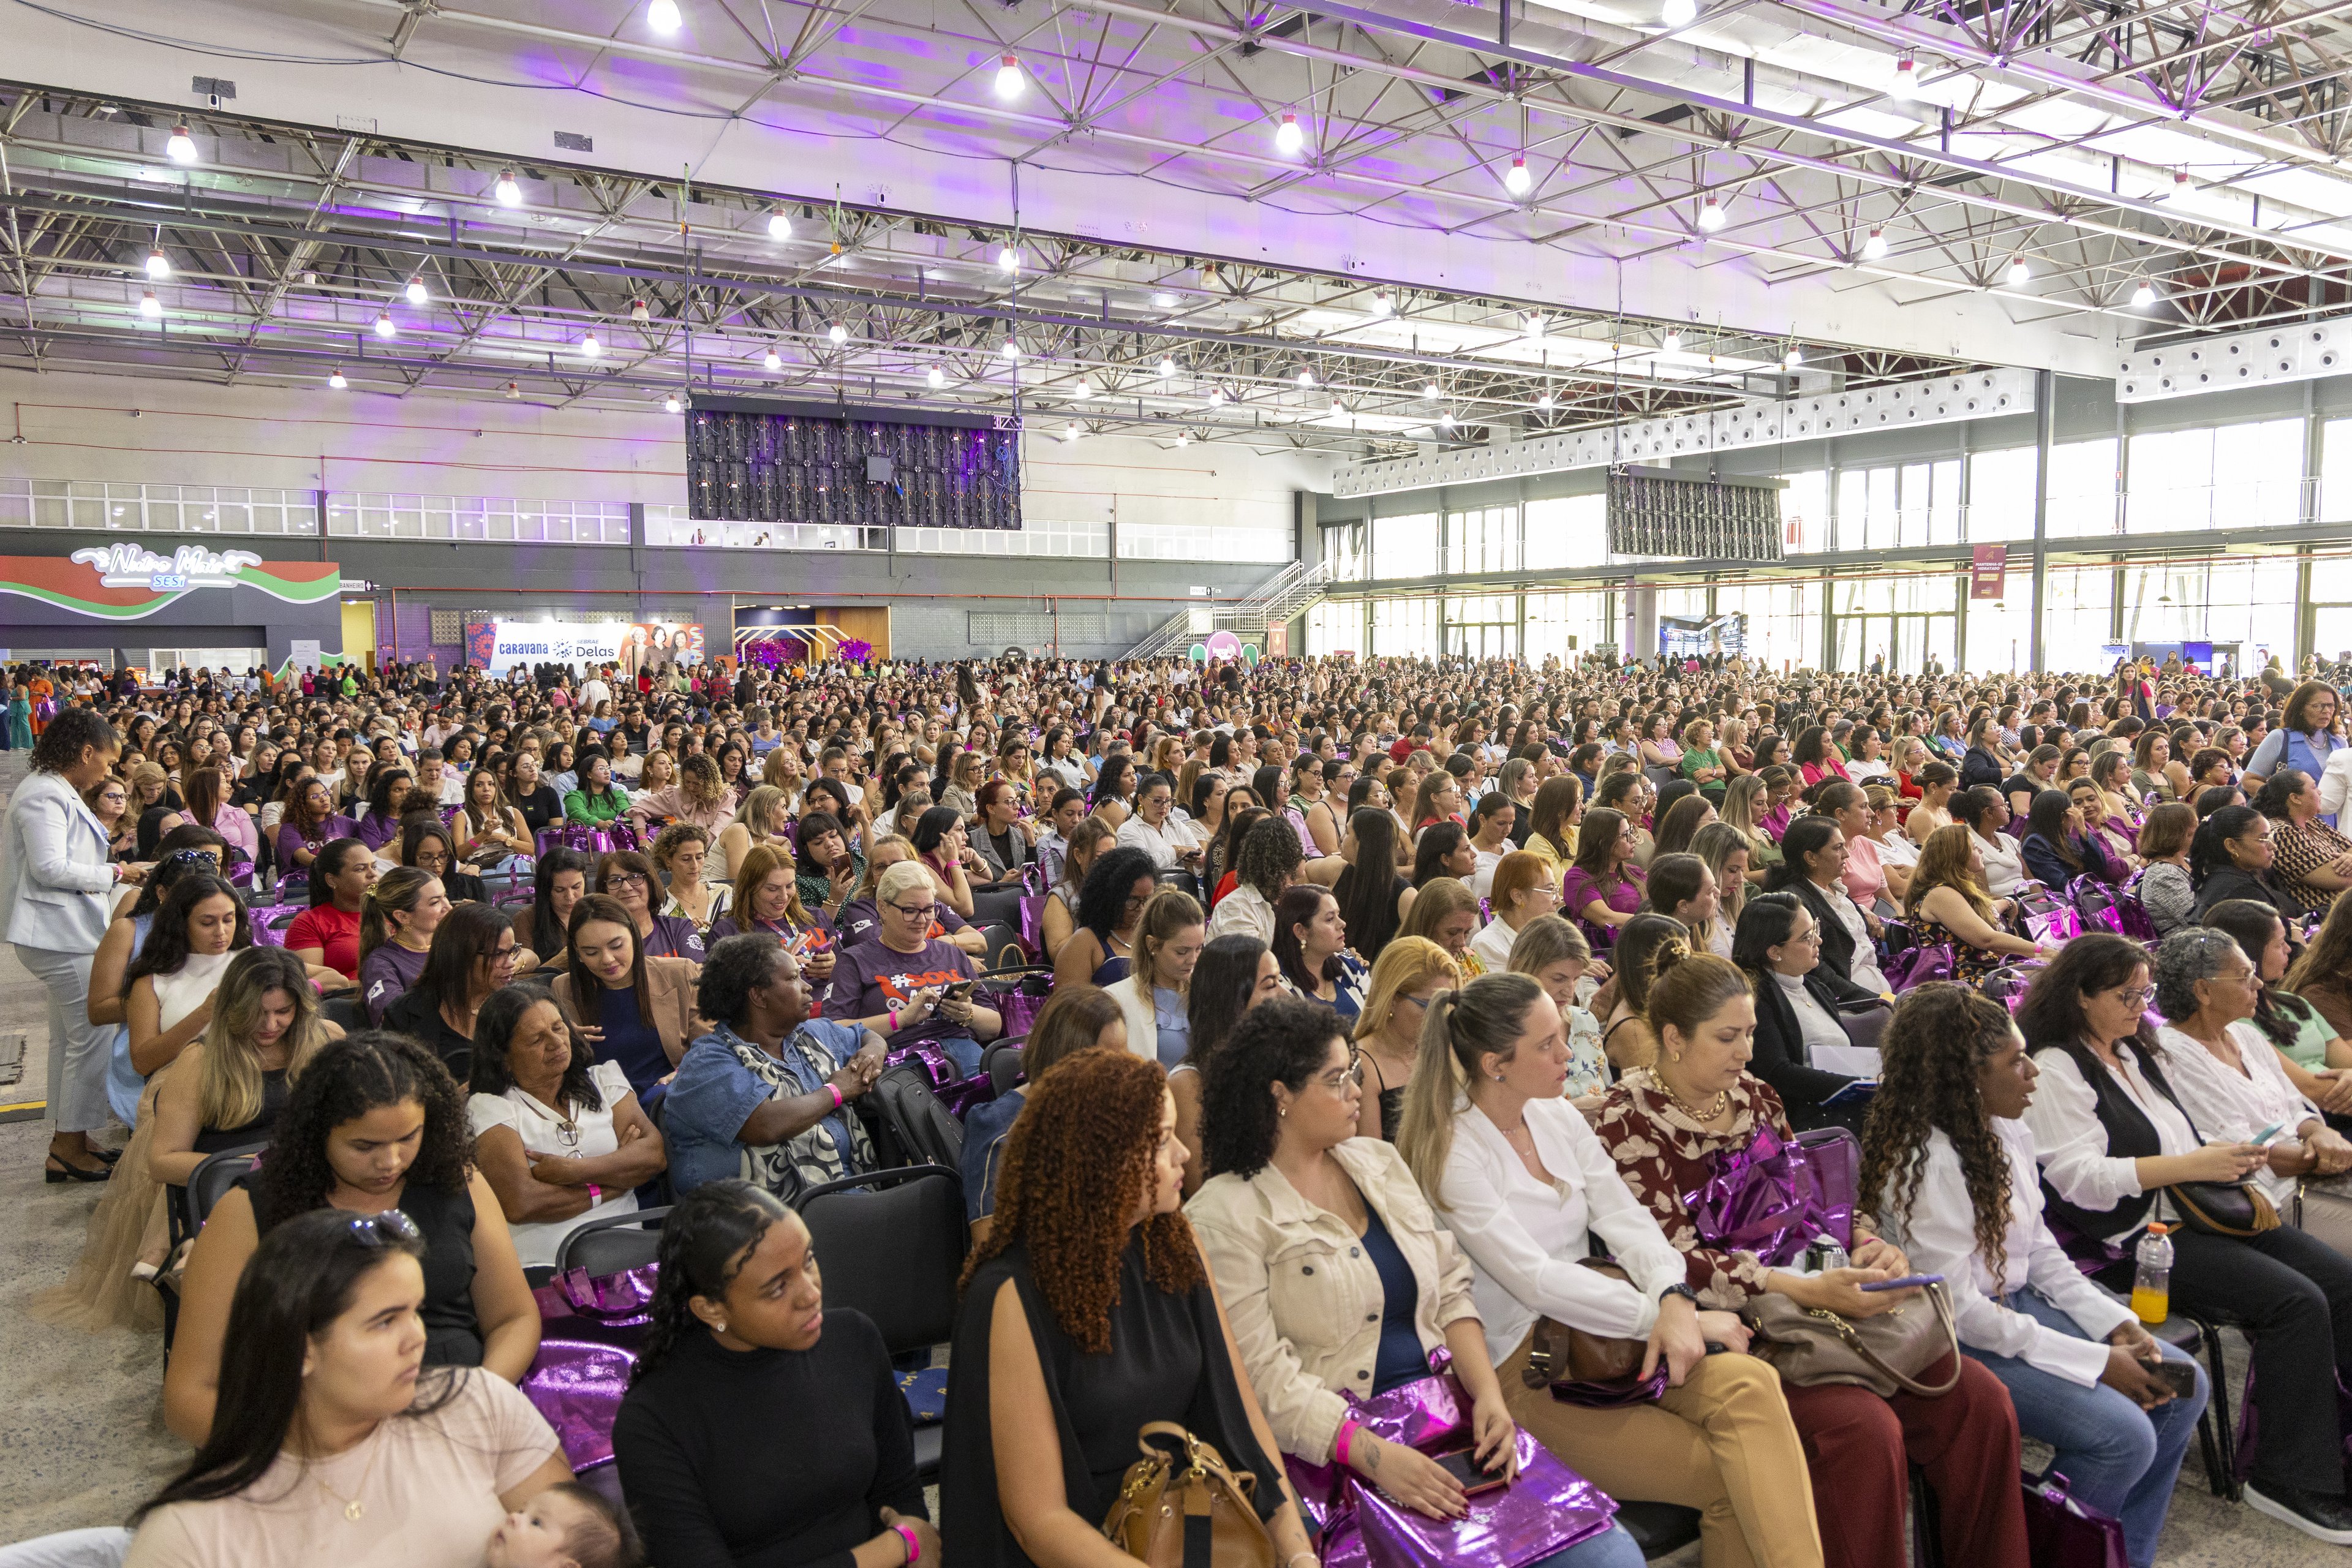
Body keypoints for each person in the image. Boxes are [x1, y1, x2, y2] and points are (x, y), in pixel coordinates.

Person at [1591, 951, 2026, 1568]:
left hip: (1817, 1305)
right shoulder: (1629, 1116)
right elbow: (1664, 1259)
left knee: (1978, 1401)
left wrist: (1864, 1242)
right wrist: (1804, 1290)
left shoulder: (1758, 1097)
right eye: (1727, 1036)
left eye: (1748, 1033)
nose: (1746, 1050)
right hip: (1742, 1330)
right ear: (1672, 1038)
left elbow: (1812, 1206)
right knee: (1861, 1433)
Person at [1188, 997, 1645, 1567]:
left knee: (1610, 1557)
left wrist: (1489, 1399)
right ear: (1280, 1096)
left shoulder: (1377, 1164)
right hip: (1336, 1453)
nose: (1357, 1091)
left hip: (1444, 1419)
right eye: (1336, 1081)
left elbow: (1453, 1290)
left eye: (1354, 1072)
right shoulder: (1225, 1214)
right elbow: (1260, 1381)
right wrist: (1376, 1458)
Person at [1392, 972, 1824, 1568]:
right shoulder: (1452, 1149)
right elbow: (1536, 1279)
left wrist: (1675, 1297)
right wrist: (1668, 1319)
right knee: (1727, 1479)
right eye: (1548, 1045)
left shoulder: (1554, 1116)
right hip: (1529, 1371)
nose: (1569, 1055)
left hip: (1603, 1337)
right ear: (1495, 1063)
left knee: (1753, 1386)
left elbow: (1627, 1216)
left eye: (1562, 1036)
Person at [2015, 934, 2352, 1543]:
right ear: (2081, 996)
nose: (2140, 1006)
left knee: (2341, 1282)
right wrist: (2196, 1165)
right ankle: (2286, 1477)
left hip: (2192, 1210)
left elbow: (2184, 1135)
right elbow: (2081, 1183)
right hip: (2128, 1237)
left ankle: (2336, 1443)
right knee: (2294, 1303)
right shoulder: (2060, 1067)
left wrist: (2222, 1158)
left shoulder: (2133, 1050)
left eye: (2144, 993)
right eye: (2126, 994)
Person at [1864, 983, 2209, 1568]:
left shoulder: (2001, 1127)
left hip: (2011, 1306)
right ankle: (2029, 1549)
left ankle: (2120, 1556)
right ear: (1965, 1077)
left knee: (2183, 1388)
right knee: (2122, 1439)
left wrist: (2112, 1324)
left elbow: (2040, 1250)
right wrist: (2096, 1362)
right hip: (1954, 1340)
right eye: (2015, 1061)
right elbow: (1961, 1313)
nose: (2033, 1073)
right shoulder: (1931, 1163)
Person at [938, 1047, 1316, 1568]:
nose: (1185, 1154)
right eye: (1162, 1141)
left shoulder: (1173, 1241)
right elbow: (1038, 1519)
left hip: (1187, 1526)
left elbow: (1241, 1416)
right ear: (1103, 1161)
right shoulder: (1008, 1294)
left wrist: (1297, 1552)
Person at [123, 1207, 571, 1568]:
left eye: (415, 1311)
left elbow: (579, 1548)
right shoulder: (190, 1536)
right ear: (301, 1349)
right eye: (385, 1322)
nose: (418, 1337)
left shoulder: (480, 1404)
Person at [164, 1032, 541, 1444]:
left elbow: (514, 1318)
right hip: (311, 1437)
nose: (390, 1162)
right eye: (364, 1146)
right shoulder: (246, 1212)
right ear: (318, 1133)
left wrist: (478, 1397)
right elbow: (189, 1396)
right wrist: (315, 1444)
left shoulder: (459, 1182)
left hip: (459, 1418)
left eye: (408, 1138)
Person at [612, 1179, 932, 1568]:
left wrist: (907, 1543)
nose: (810, 1293)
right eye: (777, 1289)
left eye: (809, 1260)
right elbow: (910, 1539)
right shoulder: (654, 1419)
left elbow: (901, 1497)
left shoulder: (853, 1340)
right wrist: (891, 1550)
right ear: (712, 1310)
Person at [1, 706, 145, 1180]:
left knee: (70, 1040)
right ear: (85, 752)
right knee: (93, 1038)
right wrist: (116, 873)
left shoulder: (57, 790)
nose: (109, 772)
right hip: (57, 934)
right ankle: (67, 1147)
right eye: (105, 762)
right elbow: (49, 869)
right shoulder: (43, 795)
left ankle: (72, 1137)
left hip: (66, 931)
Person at [2141, 925, 2352, 1219]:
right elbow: (2245, 1153)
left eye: (2252, 971)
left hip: (2310, 1171)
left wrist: (2320, 1131)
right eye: (2243, 977)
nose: (2258, 984)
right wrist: (2325, 1154)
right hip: (2265, 1196)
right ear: (2203, 991)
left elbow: (2296, 1105)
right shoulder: (2174, 1054)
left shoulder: (2245, 1035)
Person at [663, 933, 886, 1201]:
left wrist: (873, 1052)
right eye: (793, 978)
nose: (806, 987)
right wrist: (836, 1092)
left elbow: (865, 1035)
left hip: (839, 1194)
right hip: (747, 1218)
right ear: (758, 995)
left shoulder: (809, 1034)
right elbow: (765, 1125)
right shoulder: (706, 1062)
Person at [468, 982, 668, 1276]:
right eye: (537, 1039)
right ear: (504, 1057)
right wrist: (618, 1181)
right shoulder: (490, 1106)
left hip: (629, 1248)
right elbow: (523, 1204)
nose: (556, 1042)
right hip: (546, 1263)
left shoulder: (604, 1079)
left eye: (559, 1027)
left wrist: (573, 1172)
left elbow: (653, 1157)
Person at [960, 984, 1127, 1235]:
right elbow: (991, 1246)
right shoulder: (999, 1129)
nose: (1121, 1074)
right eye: (1107, 1062)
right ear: (1068, 1059)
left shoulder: (1105, 1109)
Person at [829, 860, 1001, 1078]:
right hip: (900, 1060)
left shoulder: (951, 953)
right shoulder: (855, 960)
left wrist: (968, 1014)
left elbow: (995, 1025)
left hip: (963, 1051)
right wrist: (901, 1019)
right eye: (910, 911)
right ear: (882, 907)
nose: (922, 920)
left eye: (929, 910)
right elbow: (834, 1031)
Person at [1731, 892, 1877, 1132]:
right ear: (1774, 951)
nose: (1819, 941)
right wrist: (1860, 1087)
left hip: (1847, 1107)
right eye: (1807, 937)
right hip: (1805, 1118)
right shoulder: (1755, 999)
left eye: (1815, 929)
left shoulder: (1815, 987)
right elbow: (1778, 1073)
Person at [551, 894, 706, 1099]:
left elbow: (709, 1045)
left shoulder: (680, 973)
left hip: (673, 1095)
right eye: (591, 953)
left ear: (634, 936)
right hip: (607, 1105)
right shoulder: (564, 989)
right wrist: (567, 1043)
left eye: (616, 946)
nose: (607, 959)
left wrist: (680, 1074)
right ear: (577, 952)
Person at [124, 872, 252, 1080]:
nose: (221, 931)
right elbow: (142, 1062)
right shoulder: (152, 981)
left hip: (248, 1080)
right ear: (181, 924)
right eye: (207, 923)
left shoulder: (250, 961)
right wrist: (204, 1013)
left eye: (229, 919)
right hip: (182, 1087)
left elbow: (319, 976)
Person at [384, 903, 523, 1074]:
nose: (510, 963)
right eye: (497, 954)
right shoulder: (404, 1014)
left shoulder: (519, 1004)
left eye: (512, 951)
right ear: (461, 956)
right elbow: (398, 1091)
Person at [1904, 825, 2051, 986]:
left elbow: (1979, 913)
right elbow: (1987, 939)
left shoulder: (1951, 889)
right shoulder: (1940, 894)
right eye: (1974, 847)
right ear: (1957, 856)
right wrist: (2045, 952)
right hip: (1961, 982)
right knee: (2053, 970)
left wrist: (2007, 903)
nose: (1981, 851)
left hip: (1986, 970)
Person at [1110, 889, 1203, 1067]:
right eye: (1182, 952)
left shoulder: (1206, 992)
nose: (1193, 960)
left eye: (1199, 949)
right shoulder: (1119, 1000)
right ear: (1152, 945)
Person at [1051, 844, 1158, 990]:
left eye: (1148, 899)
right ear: (1109, 897)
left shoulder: (1157, 933)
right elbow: (1068, 1010)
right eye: (1131, 900)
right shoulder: (1084, 943)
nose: (1142, 908)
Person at [358, 867, 451, 1025]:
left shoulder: (455, 944)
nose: (448, 907)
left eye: (445, 897)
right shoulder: (380, 964)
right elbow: (394, 1021)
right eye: (435, 902)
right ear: (403, 917)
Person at [2258, 767, 2352, 916]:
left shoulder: (2312, 822)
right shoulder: (2283, 832)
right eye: (2314, 787)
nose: (2320, 792)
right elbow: (2340, 879)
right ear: (2295, 798)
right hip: (2328, 916)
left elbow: (2350, 848)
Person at [1272, 883, 1368, 1022]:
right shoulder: (1279, 984)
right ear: (1301, 931)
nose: (1342, 924)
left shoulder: (1350, 966)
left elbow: (1378, 1019)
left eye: (1338, 915)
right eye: (1330, 919)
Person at [2189, 802, 2301, 922]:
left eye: (2271, 837)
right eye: (2263, 839)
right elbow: (2279, 940)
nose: (2273, 846)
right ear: (2231, 846)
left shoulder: (2221, 877)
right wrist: (2296, 929)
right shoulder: (2241, 890)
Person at [287, 838, 376, 983]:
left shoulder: (393, 912)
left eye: (374, 867)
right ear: (332, 880)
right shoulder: (309, 923)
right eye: (361, 869)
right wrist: (379, 988)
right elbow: (310, 986)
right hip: (345, 1003)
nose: (372, 874)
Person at [1331, 808, 1414, 963]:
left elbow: (1418, 951)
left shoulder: (1405, 895)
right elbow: (1304, 871)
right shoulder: (1339, 871)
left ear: (1364, 843)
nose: (1342, 838)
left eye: (1348, 832)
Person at [1208, 815, 1305, 943]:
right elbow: (1250, 960)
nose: (1291, 881)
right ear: (1277, 866)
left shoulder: (1279, 900)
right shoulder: (1236, 908)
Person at [1561, 805, 1644, 944]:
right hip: (1608, 956)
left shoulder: (1635, 873)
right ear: (1603, 842)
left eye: (1631, 832)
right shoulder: (1577, 878)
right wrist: (1655, 923)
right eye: (1626, 835)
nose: (1634, 839)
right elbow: (1606, 919)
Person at [1468, 850, 1559, 971]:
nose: (1558, 900)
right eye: (1550, 891)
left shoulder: (1552, 935)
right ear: (1518, 896)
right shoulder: (1487, 945)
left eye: (1556, 891)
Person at [514, 850, 595, 973]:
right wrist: (555, 965)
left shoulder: (598, 910)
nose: (570, 897)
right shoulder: (526, 919)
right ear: (546, 889)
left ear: (584, 878)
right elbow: (515, 983)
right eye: (559, 890)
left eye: (576, 887)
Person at [2134, 802, 2199, 936]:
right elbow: (2197, 920)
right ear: (2178, 835)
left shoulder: (2186, 863)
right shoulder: (2163, 875)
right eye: (2194, 831)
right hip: (2188, 947)